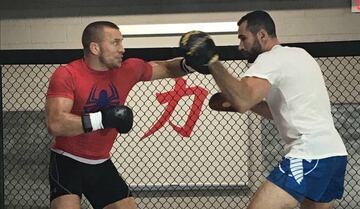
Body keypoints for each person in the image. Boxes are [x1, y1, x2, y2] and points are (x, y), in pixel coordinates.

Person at [179, 10, 348, 209]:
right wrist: (249, 102)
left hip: (309, 154)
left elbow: (242, 100)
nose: (240, 46)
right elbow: (276, 111)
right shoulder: (301, 55)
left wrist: (213, 62)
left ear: (261, 35)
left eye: (243, 38)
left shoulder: (269, 59)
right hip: (334, 153)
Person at [45, 21, 190, 209]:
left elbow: (168, 68)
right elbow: (55, 123)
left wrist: (190, 65)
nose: (122, 49)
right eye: (115, 43)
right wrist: (103, 119)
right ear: (95, 48)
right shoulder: (67, 74)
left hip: (101, 162)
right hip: (67, 161)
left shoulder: (128, 69)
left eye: (122, 42)